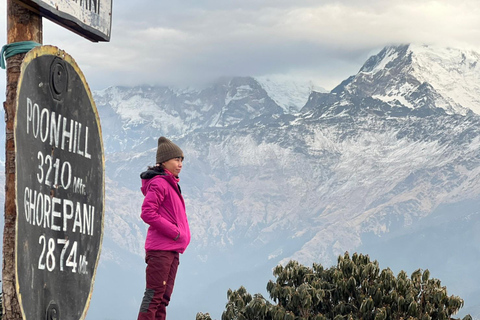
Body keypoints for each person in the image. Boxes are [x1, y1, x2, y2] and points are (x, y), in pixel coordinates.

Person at [137, 137, 191, 320]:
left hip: (171, 250)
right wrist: (175, 232)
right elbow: (147, 213)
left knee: (163, 299)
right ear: (164, 161)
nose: (180, 163)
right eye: (176, 159)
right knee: (153, 297)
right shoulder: (160, 183)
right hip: (160, 250)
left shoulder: (171, 184)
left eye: (182, 159)